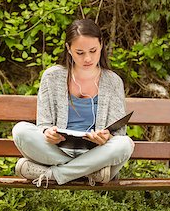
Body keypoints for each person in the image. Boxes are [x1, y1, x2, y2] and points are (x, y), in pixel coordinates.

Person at [12, 19, 134, 187]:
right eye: (80, 52)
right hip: (59, 151)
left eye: (93, 50)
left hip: (97, 152)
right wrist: (48, 132)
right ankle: (89, 172)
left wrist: (106, 137)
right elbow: (43, 124)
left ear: (101, 45)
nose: (88, 58)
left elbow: (118, 134)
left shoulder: (113, 82)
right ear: (69, 49)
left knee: (125, 144)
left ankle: (54, 174)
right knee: (20, 131)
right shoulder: (52, 77)